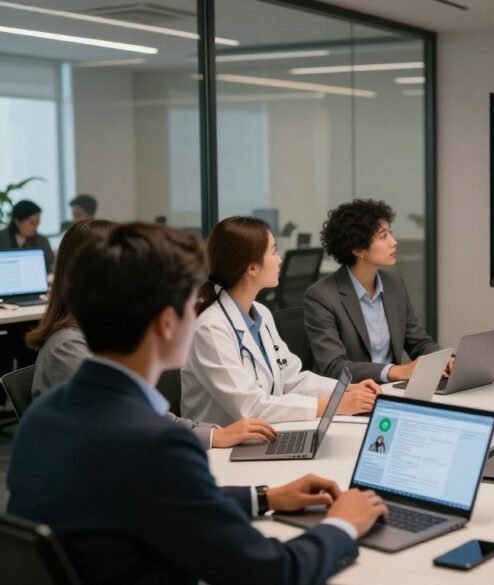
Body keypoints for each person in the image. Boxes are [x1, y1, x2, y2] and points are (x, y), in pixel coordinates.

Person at [6, 222, 389, 584]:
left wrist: (265, 497)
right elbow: (272, 574)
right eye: (191, 303)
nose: (199, 313)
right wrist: (342, 525)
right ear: (166, 323)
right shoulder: (156, 445)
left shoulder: (45, 415)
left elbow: (151, 497)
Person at [26, 219, 274, 450]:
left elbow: (140, 411)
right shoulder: (68, 346)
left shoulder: (112, 337)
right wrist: (212, 435)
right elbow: (131, 416)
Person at [182, 216, 380, 426]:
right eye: (274, 252)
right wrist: (335, 405)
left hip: (263, 435)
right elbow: (252, 408)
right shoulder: (210, 329)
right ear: (252, 268)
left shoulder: (261, 313)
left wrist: (346, 389)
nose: (280, 260)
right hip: (220, 450)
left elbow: (292, 378)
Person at [305, 199, 444, 382]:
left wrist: (441, 360)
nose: (393, 242)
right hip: (353, 395)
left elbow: (419, 342)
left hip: (392, 389)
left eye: (390, 233)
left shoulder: (394, 284)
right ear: (358, 249)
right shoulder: (322, 296)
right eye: (383, 236)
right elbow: (335, 366)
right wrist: (395, 371)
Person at [0, 199, 54, 271]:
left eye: (37, 223)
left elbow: (50, 266)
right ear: (17, 221)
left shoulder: (42, 241)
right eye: (32, 223)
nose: (35, 227)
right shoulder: (2, 238)